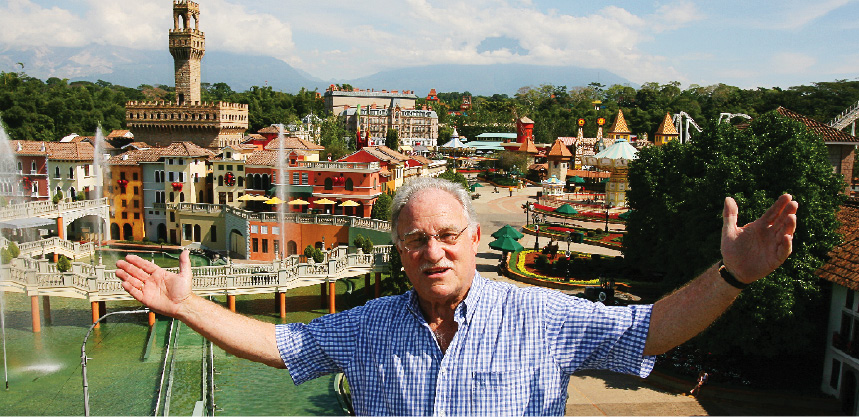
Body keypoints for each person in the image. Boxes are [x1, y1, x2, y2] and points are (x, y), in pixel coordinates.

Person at [116, 177, 798, 416]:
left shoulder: (538, 315)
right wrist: (185, 306)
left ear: (474, 238)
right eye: (416, 240)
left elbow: (646, 331)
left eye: (446, 236)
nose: (433, 252)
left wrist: (731, 276)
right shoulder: (368, 325)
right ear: (399, 251)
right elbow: (279, 343)